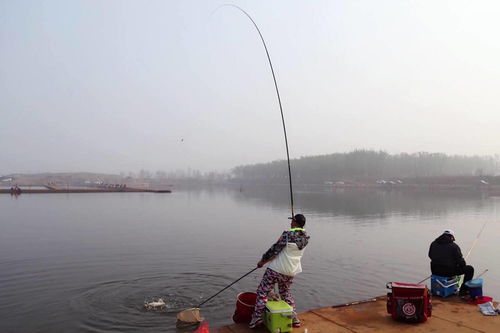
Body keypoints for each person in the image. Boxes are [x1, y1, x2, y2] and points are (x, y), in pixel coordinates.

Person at [249, 214, 310, 329]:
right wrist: (296, 228)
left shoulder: (288, 235)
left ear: (296, 223)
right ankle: (294, 318)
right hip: (290, 272)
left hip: (276, 269)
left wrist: (262, 262)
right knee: (285, 293)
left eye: (292, 221)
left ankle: (256, 318)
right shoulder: (305, 238)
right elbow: (297, 235)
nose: (290, 223)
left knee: (262, 291)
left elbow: (274, 250)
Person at [428, 229, 474, 295]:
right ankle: (463, 290)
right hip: (448, 272)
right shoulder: (454, 246)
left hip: (435, 271)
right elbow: (461, 263)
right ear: (451, 237)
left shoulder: (433, 243)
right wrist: (459, 264)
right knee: (470, 269)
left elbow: (430, 255)